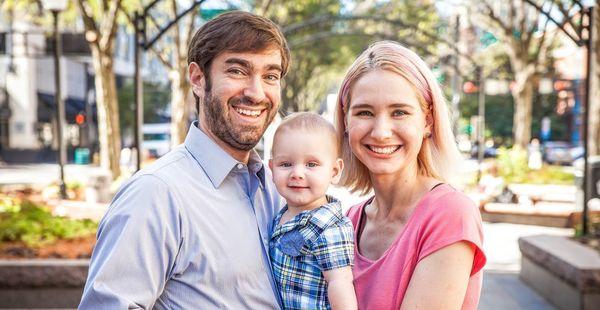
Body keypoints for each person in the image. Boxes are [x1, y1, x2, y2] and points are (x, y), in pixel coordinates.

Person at [79, 11, 291, 309]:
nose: (256, 93)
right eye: (237, 71)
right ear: (197, 78)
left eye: (270, 76)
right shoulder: (156, 194)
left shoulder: (276, 189)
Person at [334, 41, 486, 309]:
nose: (381, 132)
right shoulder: (348, 220)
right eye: (365, 112)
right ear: (346, 121)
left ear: (427, 121)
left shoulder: (449, 214)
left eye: (400, 112)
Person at [268, 112, 356, 310]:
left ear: (334, 171)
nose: (297, 173)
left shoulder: (330, 228)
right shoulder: (279, 215)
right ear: (272, 169)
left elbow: (340, 283)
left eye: (312, 164)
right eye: (286, 164)